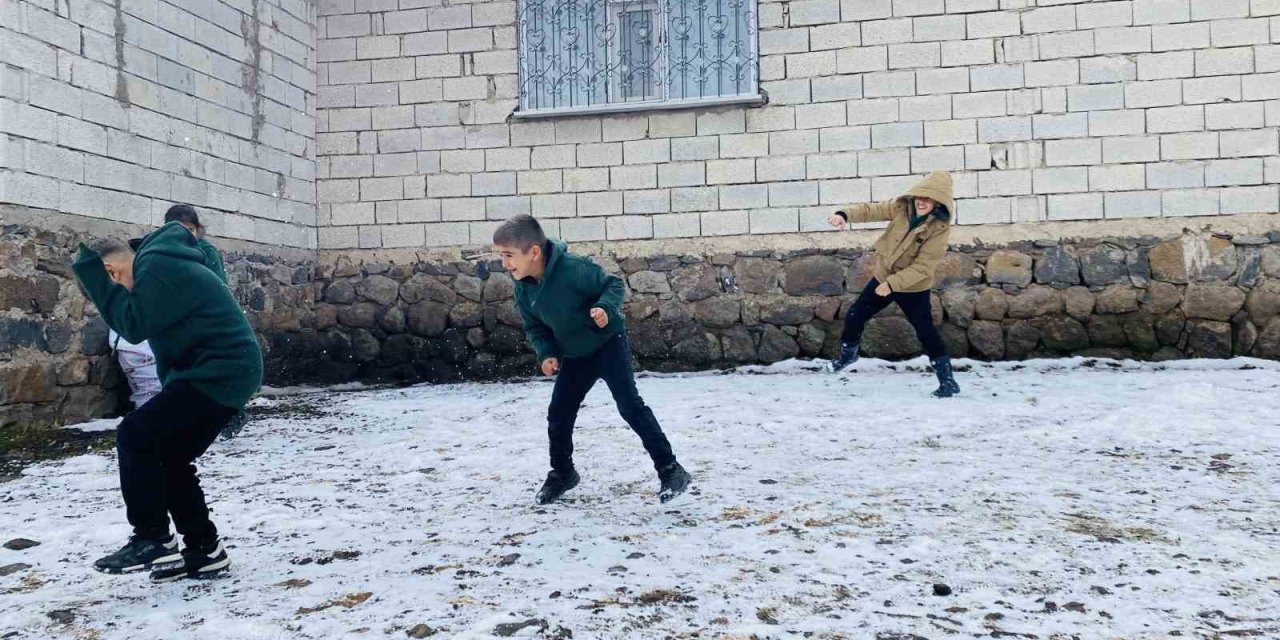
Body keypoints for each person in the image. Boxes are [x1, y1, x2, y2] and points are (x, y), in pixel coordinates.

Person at [71, 223, 263, 582]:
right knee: (169, 456)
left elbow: (131, 324)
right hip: (220, 369)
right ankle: (205, 550)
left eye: (106, 285)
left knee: (135, 433)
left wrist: (96, 282)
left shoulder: (157, 266)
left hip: (221, 370)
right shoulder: (160, 263)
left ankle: (153, 536)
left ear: (111, 272)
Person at [493, 215, 692, 504]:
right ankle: (563, 473)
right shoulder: (523, 287)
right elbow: (535, 327)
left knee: (630, 406)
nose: (505, 263)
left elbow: (612, 285)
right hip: (574, 354)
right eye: (502, 256)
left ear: (533, 252)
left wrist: (604, 308)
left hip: (608, 344)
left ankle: (671, 470)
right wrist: (546, 353)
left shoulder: (573, 270)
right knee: (559, 413)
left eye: (509, 255)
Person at [826, 170, 961, 398]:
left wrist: (892, 284)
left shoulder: (939, 228)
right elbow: (871, 210)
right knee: (855, 316)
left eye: (929, 199)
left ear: (938, 202)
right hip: (883, 277)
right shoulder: (901, 208)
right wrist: (844, 215)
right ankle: (848, 355)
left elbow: (924, 267)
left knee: (926, 332)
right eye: (921, 196)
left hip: (913, 287)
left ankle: (948, 382)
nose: (922, 202)